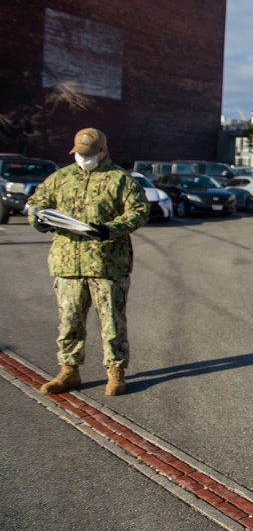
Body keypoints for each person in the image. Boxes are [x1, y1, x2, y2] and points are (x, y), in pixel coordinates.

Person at [27, 127, 149, 396]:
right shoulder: (61, 177)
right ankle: (69, 371)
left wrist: (110, 228)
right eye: (79, 154)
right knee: (69, 321)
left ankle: (115, 372)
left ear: (103, 151)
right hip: (68, 264)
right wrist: (37, 218)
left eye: (89, 154)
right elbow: (37, 201)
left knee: (112, 323)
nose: (83, 158)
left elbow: (139, 212)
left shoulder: (120, 180)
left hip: (107, 265)